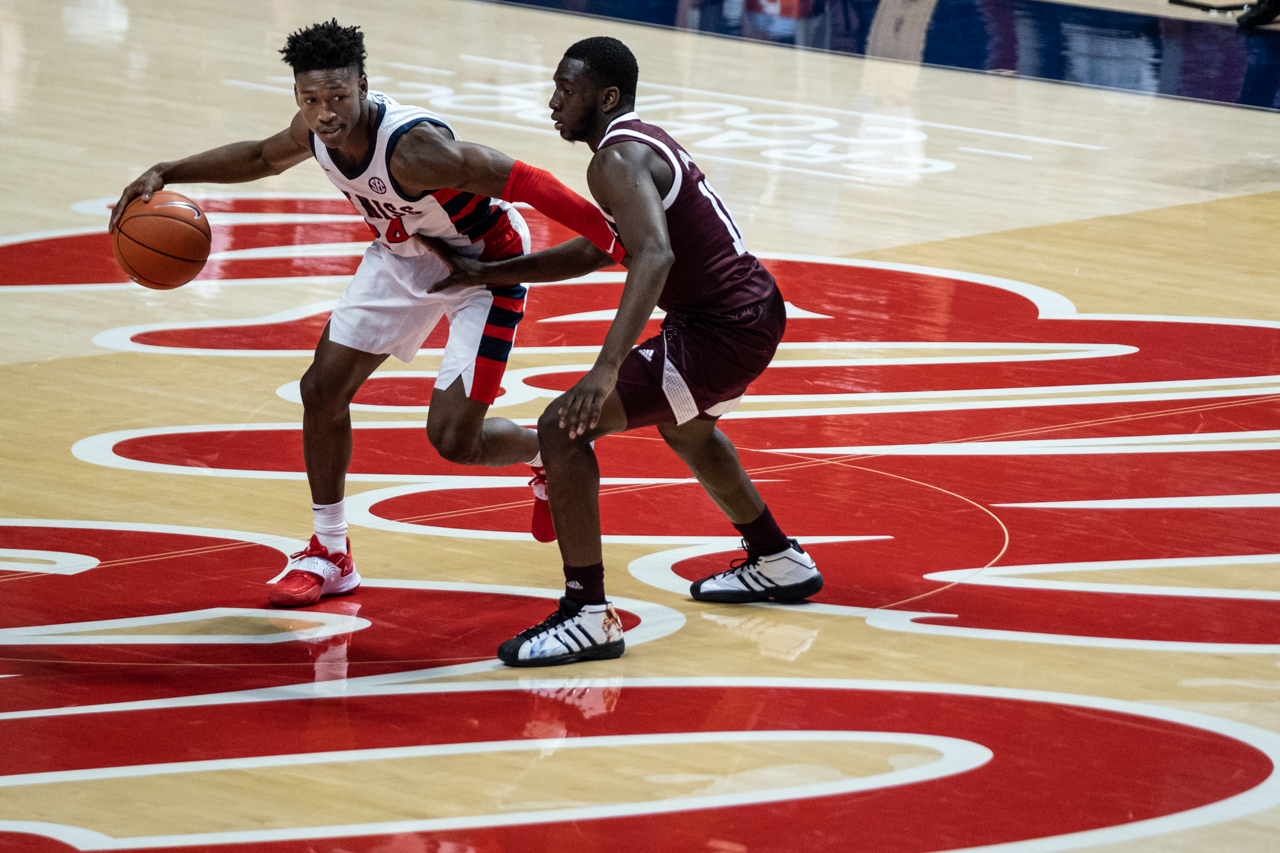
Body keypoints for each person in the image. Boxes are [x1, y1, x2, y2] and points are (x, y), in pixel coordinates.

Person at [110, 20, 625, 608]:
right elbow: (258, 156)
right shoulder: (313, 130)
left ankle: (540, 454)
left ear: (362, 84)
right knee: (322, 390)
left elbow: (525, 180)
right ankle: (330, 552)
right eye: (310, 100)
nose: (325, 113)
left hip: (485, 269)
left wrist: (614, 234)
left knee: (454, 439)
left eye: (337, 97)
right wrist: (169, 170)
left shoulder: (415, 149)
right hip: (403, 258)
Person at [434, 36, 823, 667]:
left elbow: (655, 255)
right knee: (690, 433)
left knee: (562, 429)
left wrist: (605, 366)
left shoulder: (613, 160)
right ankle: (777, 558)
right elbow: (602, 249)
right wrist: (494, 274)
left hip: (721, 326)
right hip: (745, 312)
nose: (554, 102)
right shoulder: (637, 143)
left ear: (605, 96)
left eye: (568, 90)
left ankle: (588, 614)